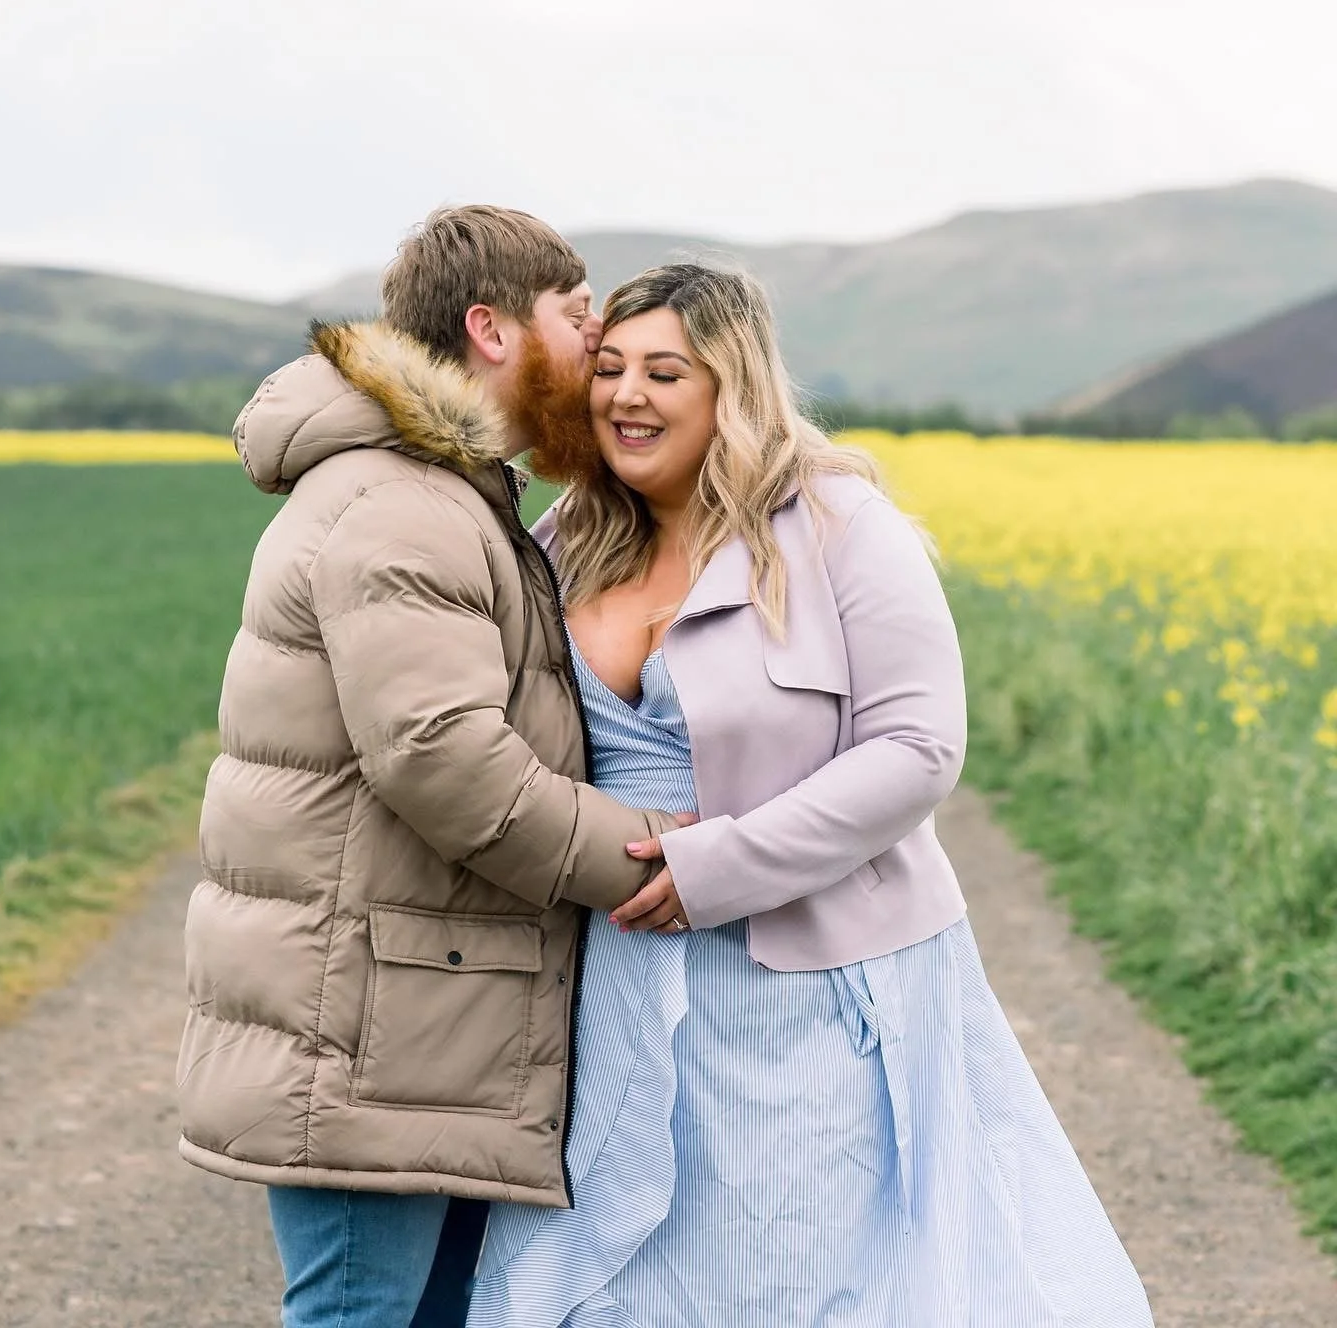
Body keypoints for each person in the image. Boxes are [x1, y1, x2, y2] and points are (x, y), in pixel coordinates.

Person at [468, 262, 1155, 1328]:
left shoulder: (837, 524)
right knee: (621, 1261)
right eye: (608, 369)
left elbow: (919, 747)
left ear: (729, 388)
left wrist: (719, 869)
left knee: (797, 1263)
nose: (625, 396)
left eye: (664, 372)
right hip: (615, 976)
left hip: (811, 977)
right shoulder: (566, 540)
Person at [176, 207, 683, 1328]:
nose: (595, 340)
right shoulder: (406, 504)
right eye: (575, 310)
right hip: (369, 1020)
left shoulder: (442, 492)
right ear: (492, 330)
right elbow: (441, 756)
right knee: (363, 1314)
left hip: (414, 1009)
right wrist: (665, 855)